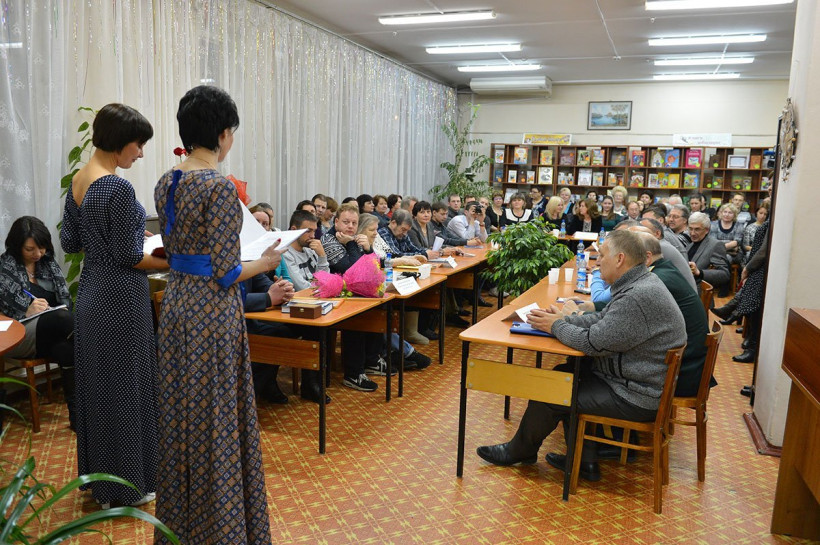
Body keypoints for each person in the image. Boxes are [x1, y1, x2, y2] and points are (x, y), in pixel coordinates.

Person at [153, 86, 276, 543]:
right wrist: (266, 262)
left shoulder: (167, 181)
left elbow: (177, 252)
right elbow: (226, 271)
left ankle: (180, 529)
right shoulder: (219, 187)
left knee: (181, 416)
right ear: (223, 133)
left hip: (177, 306)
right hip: (213, 313)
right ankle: (221, 531)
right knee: (219, 418)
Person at [476, 230, 686, 482]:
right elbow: (604, 319)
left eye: (602, 256)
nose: (597, 263)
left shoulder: (637, 296)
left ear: (620, 259)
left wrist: (555, 326)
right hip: (637, 382)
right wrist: (565, 319)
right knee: (566, 373)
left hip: (636, 395)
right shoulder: (639, 283)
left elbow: (593, 343)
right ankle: (583, 462)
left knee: (554, 390)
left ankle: (520, 451)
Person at [61, 103, 165, 510]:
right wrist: (172, 259)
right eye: (138, 144)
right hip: (121, 296)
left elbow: (71, 242)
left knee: (102, 389)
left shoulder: (79, 179)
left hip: (91, 293)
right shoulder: (116, 188)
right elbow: (129, 256)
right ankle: (129, 486)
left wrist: (127, 239)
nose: (140, 153)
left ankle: (104, 484)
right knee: (127, 388)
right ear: (120, 142)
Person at [1, 216, 75, 429]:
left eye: (41, 248)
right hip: (20, 335)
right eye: (30, 249)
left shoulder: (48, 263)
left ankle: (78, 418)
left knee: (67, 349)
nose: (38, 254)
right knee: (62, 319)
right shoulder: (5, 269)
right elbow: (6, 316)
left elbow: (65, 301)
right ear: (17, 246)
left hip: (54, 332)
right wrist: (26, 310)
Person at [321, 203, 391, 389]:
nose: (350, 226)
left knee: (380, 303)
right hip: (333, 294)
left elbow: (375, 267)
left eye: (354, 223)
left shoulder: (353, 238)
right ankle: (353, 373)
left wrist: (368, 250)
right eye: (346, 222)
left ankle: (371, 360)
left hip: (353, 290)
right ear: (336, 222)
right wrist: (352, 245)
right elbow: (351, 269)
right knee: (357, 314)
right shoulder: (328, 240)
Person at [712, 218, 770, 363]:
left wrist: (748, 268)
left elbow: (764, 251)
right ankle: (733, 315)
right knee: (750, 298)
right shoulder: (772, 218)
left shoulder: (774, 219)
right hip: (757, 266)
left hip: (760, 267)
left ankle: (752, 348)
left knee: (753, 304)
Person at [638, 218, 698, 294]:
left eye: (643, 233)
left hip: (683, 295)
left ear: (657, 234)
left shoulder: (660, 247)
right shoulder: (662, 244)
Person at [687, 211, 730, 294]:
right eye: (690, 228)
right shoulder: (690, 245)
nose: (692, 233)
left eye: (697, 229)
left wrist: (700, 273)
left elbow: (724, 274)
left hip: (699, 294)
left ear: (706, 230)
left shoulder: (715, 245)